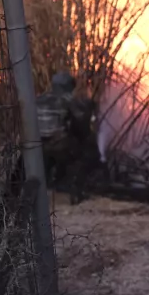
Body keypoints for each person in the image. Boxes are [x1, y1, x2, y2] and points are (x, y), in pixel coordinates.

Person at [35, 71, 99, 205]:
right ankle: (76, 192)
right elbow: (81, 126)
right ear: (69, 86)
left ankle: (50, 185)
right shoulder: (68, 101)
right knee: (88, 154)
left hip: (36, 146)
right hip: (57, 146)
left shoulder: (38, 99)